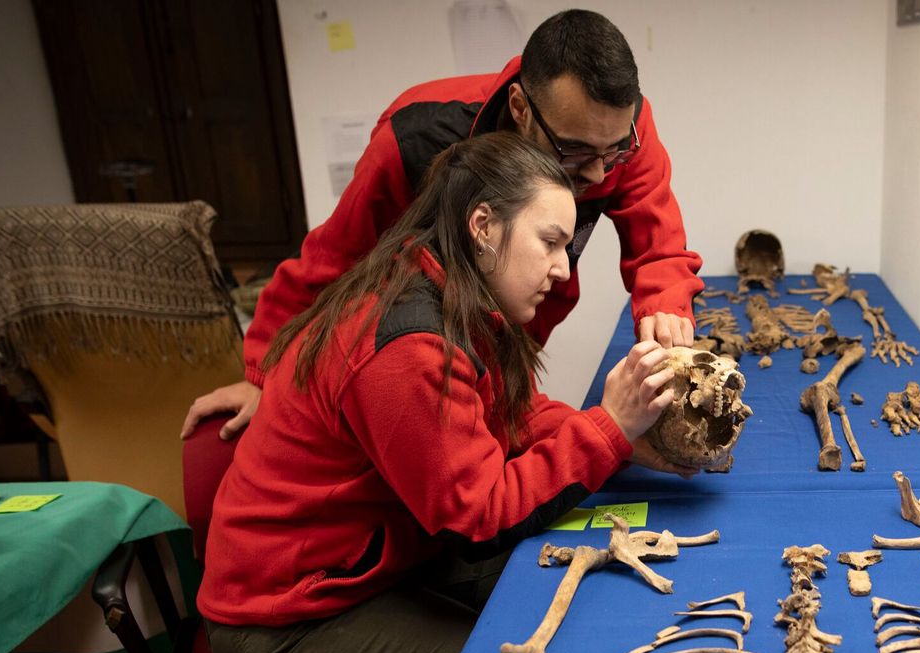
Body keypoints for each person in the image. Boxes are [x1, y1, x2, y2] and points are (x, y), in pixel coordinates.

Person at [196, 131, 675, 653]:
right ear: (482, 226)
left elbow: (508, 416)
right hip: (286, 619)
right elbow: (477, 516)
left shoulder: (447, 289)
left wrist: (624, 440)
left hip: (376, 559)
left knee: (590, 596)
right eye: (550, 243)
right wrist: (606, 430)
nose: (563, 269)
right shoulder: (406, 346)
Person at [183, 9, 700, 475]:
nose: (596, 170)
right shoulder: (415, 137)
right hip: (433, 346)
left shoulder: (615, 131)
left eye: (614, 151)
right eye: (574, 150)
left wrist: (665, 305)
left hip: (509, 339)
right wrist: (259, 371)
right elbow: (330, 260)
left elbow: (657, 241)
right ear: (519, 108)